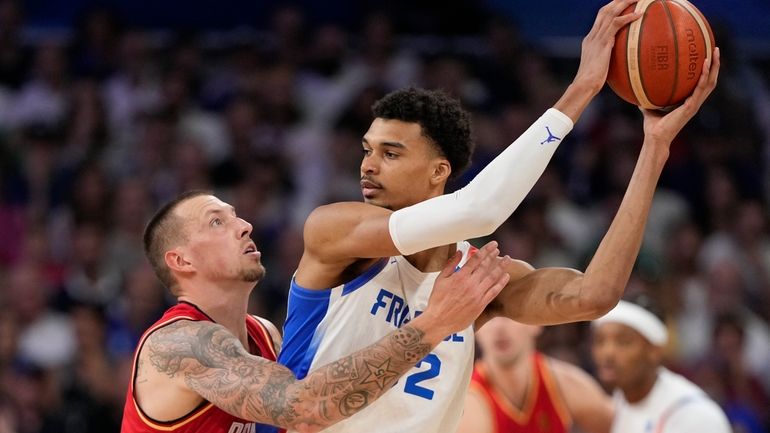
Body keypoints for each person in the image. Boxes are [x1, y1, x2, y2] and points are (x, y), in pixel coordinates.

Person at [276, 0, 721, 431]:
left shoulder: (479, 282)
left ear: (439, 172)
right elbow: (479, 210)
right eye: (367, 150)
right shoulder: (335, 230)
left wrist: (654, 147)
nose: (368, 166)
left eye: (390, 153)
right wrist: (582, 88)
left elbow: (595, 295)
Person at [120, 191, 512, 433]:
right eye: (217, 222)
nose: (243, 225)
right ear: (181, 260)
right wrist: (435, 323)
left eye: (236, 215)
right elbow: (303, 409)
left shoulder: (264, 335)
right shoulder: (178, 344)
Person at [591, 300, 732, 433]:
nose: (607, 353)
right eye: (600, 341)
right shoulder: (619, 399)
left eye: (623, 342)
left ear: (655, 351)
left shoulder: (693, 415)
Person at [457, 318, 613, 433]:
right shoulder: (469, 400)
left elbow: (622, 425)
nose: (499, 328)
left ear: (536, 322)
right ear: (475, 330)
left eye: (510, 316)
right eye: (488, 316)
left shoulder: (564, 382)